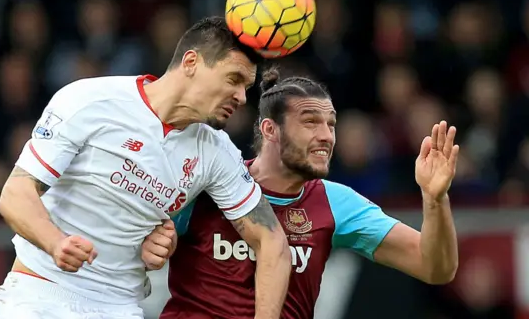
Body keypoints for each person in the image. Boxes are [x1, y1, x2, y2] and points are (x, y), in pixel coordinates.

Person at [0, 17, 292, 319]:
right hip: (41, 293)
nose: (241, 97)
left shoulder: (216, 151)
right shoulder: (91, 100)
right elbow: (16, 194)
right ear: (191, 62)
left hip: (120, 307)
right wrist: (56, 242)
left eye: (247, 87)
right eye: (233, 79)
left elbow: (272, 240)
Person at [141, 69, 460, 318]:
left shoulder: (337, 203)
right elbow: (131, 232)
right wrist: (151, 241)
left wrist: (434, 200)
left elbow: (435, 268)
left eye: (331, 125)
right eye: (310, 123)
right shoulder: (205, 183)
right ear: (270, 130)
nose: (326, 137)